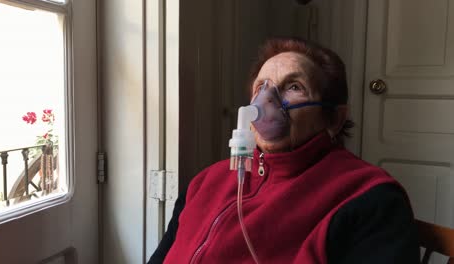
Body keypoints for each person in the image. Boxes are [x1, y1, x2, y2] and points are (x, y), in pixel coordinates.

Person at [148, 38, 420, 263]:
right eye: (261, 87)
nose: (267, 100)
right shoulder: (207, 182)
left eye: (294, 87)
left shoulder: (369, 198)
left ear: (334, 118)